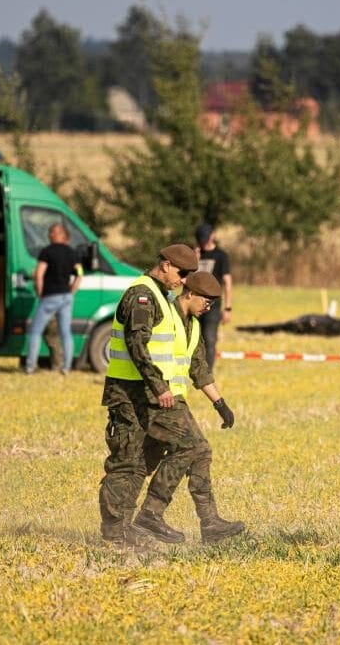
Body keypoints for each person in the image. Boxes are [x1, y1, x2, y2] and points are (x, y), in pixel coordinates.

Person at [97, 244, 198, 546]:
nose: (184, 281)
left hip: (151, 396)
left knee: (190, 445)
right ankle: (115, 533)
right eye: (182, 273)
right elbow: (136, 344)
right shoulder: (141, 295)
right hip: (129, 395)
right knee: (126, 462)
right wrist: (159, 385)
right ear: (165, 265)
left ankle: (148, 516)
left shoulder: (162, 296)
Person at [133, 271, 243, 544]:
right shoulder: (164, 314)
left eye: (213, 304)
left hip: (175, 400)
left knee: (200, 451)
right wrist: (158, 388)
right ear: (190, 293)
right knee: (193, 447)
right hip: (155, 397)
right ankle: (151, 514)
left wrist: (220, 404)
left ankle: (210, 522)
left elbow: (199, 369)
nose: (209, 308)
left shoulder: (193, 326)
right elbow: (139, 350)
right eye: (207, 301)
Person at [24, 223, 83, 374]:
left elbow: (39, 274)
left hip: (50, 296)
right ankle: (66, 367)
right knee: (66, 333)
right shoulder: (73, 253)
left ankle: (30, 366)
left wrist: (40, 292)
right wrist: (72, 290)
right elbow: (79, 274)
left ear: (59, 235)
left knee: (36, 331)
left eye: (52, 232)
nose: (49, 234)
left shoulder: (46, 252)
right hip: (66, 297)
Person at [194, 223, 232, 370]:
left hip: (213, 306)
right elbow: (187, 279)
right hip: (194, 303)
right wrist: (194, 260)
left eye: (205, 239)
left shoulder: (221, 256)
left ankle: (207, 373)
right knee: (193, 339)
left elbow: (227, 282)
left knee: (209, 339)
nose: (203, 242)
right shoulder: (195, 254)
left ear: (212, 236)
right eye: (201, 239)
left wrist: (228, 308)